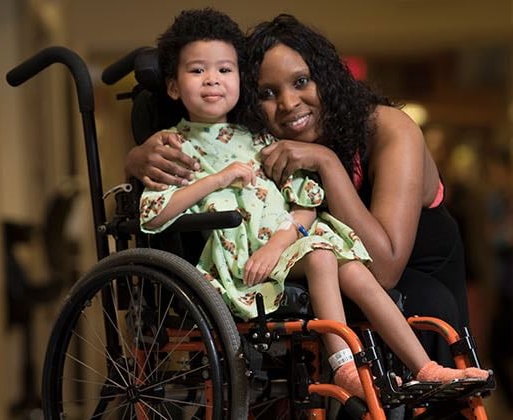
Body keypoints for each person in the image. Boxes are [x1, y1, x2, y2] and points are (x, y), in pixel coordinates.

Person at [138, 9, 489, 399]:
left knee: (421, 308)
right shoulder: (260, 145)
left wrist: (325, 161)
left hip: (414, 279)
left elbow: (386, 268)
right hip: (327, 279)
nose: (288, 103)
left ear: (328, 77)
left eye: (302, 81)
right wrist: (138, 159)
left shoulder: (389, 128)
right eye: (267, 94)